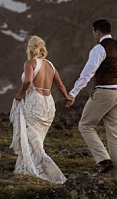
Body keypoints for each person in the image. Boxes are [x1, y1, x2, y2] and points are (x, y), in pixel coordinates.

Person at [65, 19, 117, 181]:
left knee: (85, 125)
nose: (93, 35)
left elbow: (87, 74)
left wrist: (73, 94)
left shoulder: (99, 49)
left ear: (98, 32)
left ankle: (103, 160)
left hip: (104, 92)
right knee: (114, 134)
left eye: (93, 32)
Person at [9, 35, 72, 184]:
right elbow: (60, 85)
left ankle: (39, 171)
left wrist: (20, 94)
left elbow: (28, 80)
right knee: (37, 140)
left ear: (30, 48)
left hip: (34, 102)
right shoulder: (50, 65)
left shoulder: (30, 63)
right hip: (49, 104)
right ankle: (25, 167)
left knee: (32, 138)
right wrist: (67, 97)